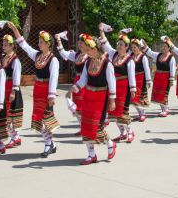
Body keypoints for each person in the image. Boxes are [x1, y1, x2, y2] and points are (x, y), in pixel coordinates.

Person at [8, 22, 60, 158]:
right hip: (38, 89)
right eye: (39, 41)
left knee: (46, 119)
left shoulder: (53, 60)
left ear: (48, 44)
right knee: (37, 119)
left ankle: (48, 144)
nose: (39, 44)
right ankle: (51, 143)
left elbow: (54, 77)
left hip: (47, 91)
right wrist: (14, 29)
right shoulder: (37, 55)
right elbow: (24, 45)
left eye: (42, 42)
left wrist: (52, 95)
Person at [71, 35, 117, 165]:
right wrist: (74, 88)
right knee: (85, 125)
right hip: (88, 97)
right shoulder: (88, 62)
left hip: (101, 98)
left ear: (95, 48)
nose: (86, 52)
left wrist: (112, 100)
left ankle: (110, 143)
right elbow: (83, 79)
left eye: (88, 50)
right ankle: (91, 154)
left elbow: (112, 82)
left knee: (97, 127)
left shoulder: (107, 64)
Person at [99, 26, 137, 143]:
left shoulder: (129, 60)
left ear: (126, 47)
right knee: (114, 112)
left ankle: (130, 132)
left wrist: (133, 89)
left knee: (123, 112)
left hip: (124, 89)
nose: (119, 46)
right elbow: (106, 44)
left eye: (122, 44)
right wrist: (101, 31)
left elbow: (131, 75)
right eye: (118, 44)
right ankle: (122, 133)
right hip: (114, 88)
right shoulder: (113, 54)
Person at [56, 33, 89, 135]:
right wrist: (59, 40)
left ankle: (89, 128)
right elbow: (63, 53)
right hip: (77, 81)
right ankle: (82, 128)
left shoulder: (90, 56)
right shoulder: (76, 55)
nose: (79, 44)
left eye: (82, 42)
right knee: (77, 107)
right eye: (78, 42)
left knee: (85, 107)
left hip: (85, 83)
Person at [142, 38, 176, 117]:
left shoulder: (171, 58)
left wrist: (171, 79)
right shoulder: (158, 55)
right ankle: (163, 109)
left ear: (169, 48)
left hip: (166, 78)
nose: (163, 48)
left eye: (165, 46)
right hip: (158, 77)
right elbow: (150, 52)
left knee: (164, 94)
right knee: (157, 94)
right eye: (162, 46)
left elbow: (172, 69)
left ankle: (165, 110)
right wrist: (145, 45)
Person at [1, 34, 24, 149]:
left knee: (10, 115)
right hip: (4, 88)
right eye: (3, 44)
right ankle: (15, 137)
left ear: (11, 46)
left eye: (6, 45)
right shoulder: (3, 58)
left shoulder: (15, 60)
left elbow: (16, 76)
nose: (3, 46)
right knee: (6, 115)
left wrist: (13, 91)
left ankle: (15, 137)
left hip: (11, 89)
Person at [130, 38, 152, 122]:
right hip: (133, 79)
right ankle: (140, 113)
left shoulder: (143, 57)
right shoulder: (131, 56)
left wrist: (148, 80)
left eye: (135, 47)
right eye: (132, 47)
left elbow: (147, 69)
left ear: (139, 47)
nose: (133, 49)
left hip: (141, 80)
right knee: (133, 98)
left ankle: (143, 114)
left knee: (140, 98)